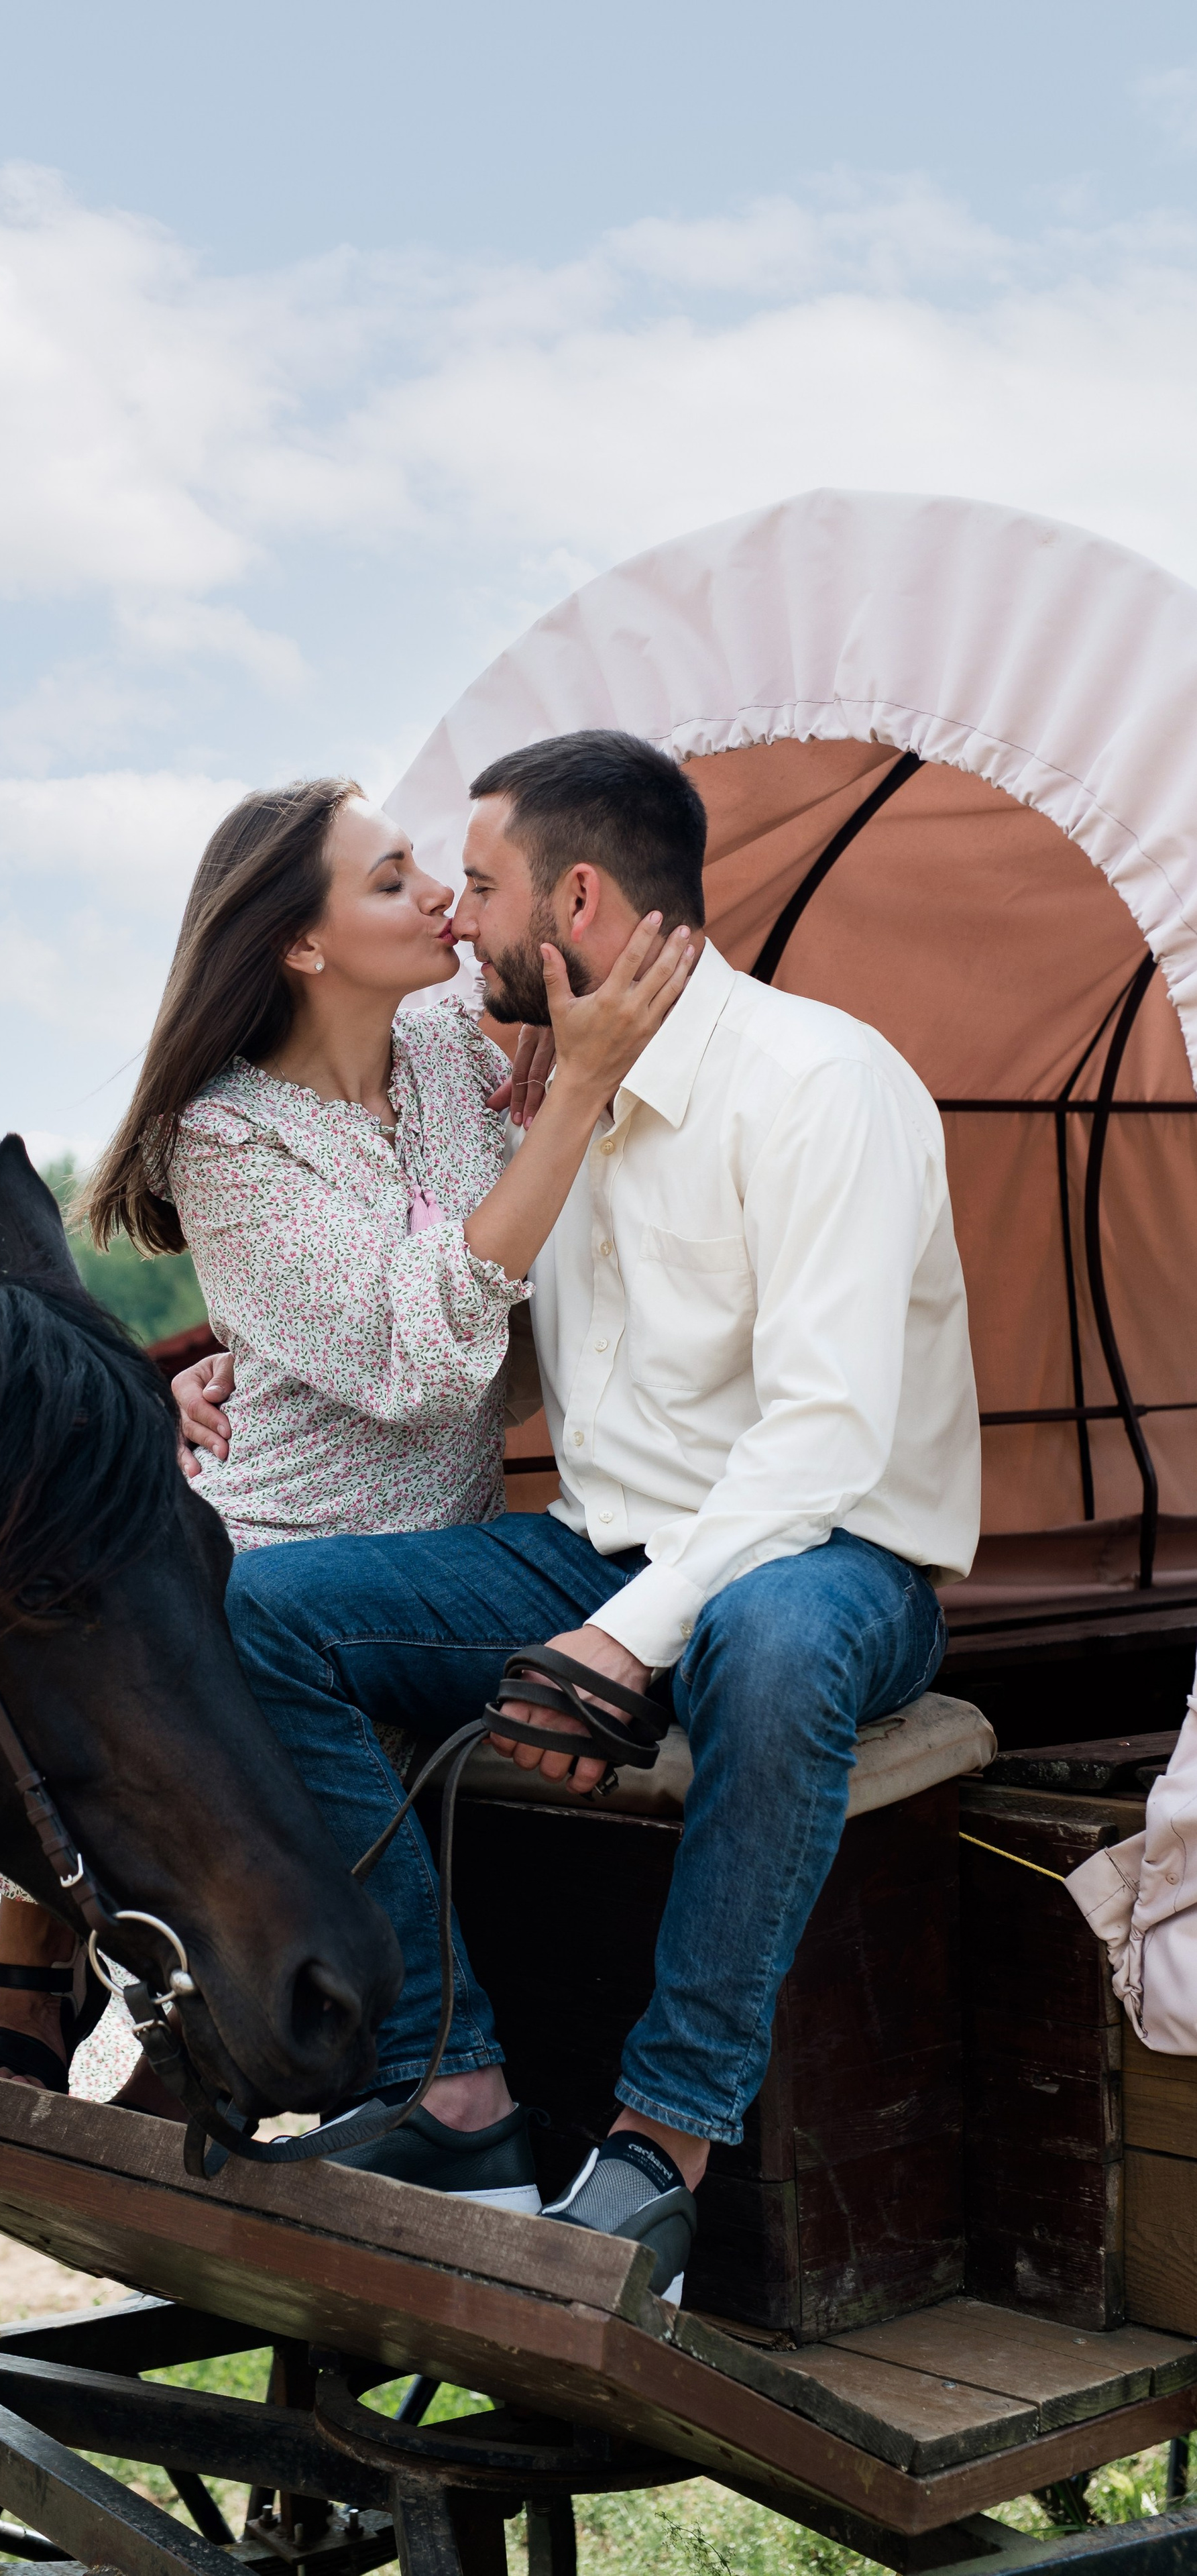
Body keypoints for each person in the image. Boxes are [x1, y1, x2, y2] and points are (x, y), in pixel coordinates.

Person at [0, 774, 692, 2104]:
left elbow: (505, 1327)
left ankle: (120, 2003)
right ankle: (38, 1983)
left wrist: (561, 1046)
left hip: (418, 1541)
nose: (438, 893)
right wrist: (566, 1103)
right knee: (99, 1638)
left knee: (189, 1639)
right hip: (275, 1515)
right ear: (302, 945)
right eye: (391, 880)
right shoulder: (223, 1134)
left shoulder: (454, 1043)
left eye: (426, 867)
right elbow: (410, 1356)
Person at [215, 729, 981, 2298]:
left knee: (767, 1640)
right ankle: (452, 2092)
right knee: (266, 1615)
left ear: (573, 900)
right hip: (589, 1548)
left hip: (832, 1561)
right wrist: (203, 1373)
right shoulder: (547, 1101)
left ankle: (658, 2149)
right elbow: (415, 1311)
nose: (455, 918)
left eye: (477, 883)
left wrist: (627, 1642)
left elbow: (824, 1437)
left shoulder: (818, 1083)